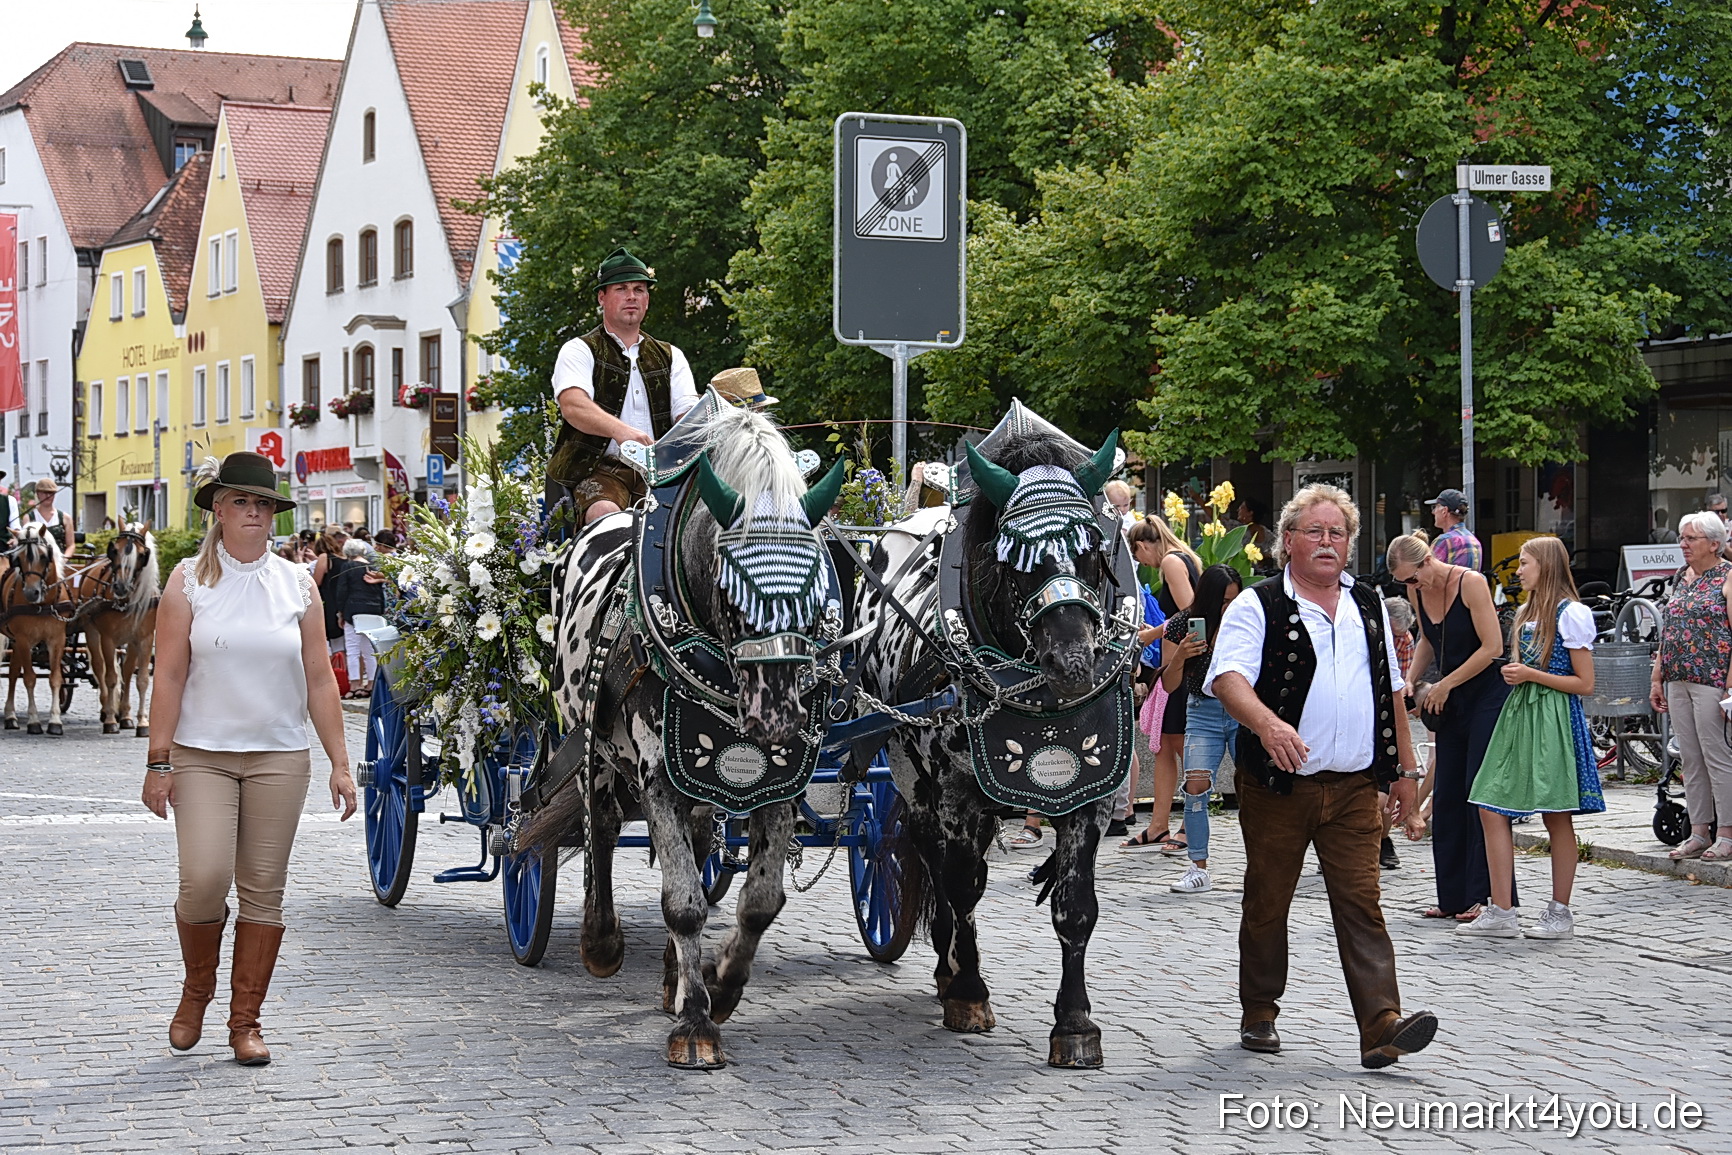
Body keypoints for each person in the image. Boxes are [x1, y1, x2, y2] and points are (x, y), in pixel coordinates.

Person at [1205, 483, 1436, 1069]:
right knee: (1267, 900)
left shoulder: (1368, 604)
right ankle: (1259, 1008)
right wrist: (1268, 725)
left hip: (1357, 784)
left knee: (1362, 903)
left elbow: (1393, 691)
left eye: (1339, 533)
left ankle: (1381, 1024)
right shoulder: (1258, 604)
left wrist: (1404, 771)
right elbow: (1228, 677)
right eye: (1316, 531)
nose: (1328, 542)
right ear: (1289, 541)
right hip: (1280, 785)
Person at [142, 451, 356, 1065]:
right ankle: (196, 990)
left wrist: (340, 763)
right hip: (201, 754)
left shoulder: (297, 585)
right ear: (217, 509)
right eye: (242, 501)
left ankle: (245, 1022)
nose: (255, 513)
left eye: (263, 503)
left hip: (279, 758)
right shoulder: (186, 583)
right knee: (204, 881)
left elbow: (320, 679)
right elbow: (170, 677)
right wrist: (159, 761)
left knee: (264, 891)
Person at [1461, 536, 1603, 940]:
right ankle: (1502, 910)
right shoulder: (1526, 611)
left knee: (1555, 813)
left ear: (1546, 565)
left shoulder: (1571, 613)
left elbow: (1585, 683)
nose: (1519, 570)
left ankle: (1560, 912)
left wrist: (1530, 675)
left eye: (1525, 563)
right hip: (1521, 714)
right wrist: (1517, 674)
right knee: (1490, 805)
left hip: (1554, 717)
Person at [1387, 530, 1509, 921]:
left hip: (1485, 695)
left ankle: (1485, 896)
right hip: (1450, 697)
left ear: (1426, 562)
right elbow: (1428, 639)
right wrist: (1410, 678)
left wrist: (1444, 683)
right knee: (1449, 792)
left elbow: (1493, 648)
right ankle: (1452, 895)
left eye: (1411, 577)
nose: (1410, 585)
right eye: (1404, 583)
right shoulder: (1417, 593)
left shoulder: (1470, 583)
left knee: (1478, 792)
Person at [547, 247, 699, 525]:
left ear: (647, 299)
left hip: (661, 472)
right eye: (621, 288)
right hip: (597, 470)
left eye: (639, 289)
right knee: (604, 514)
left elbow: (686, 414)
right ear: (602, 297)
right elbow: (573, 405)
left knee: (702, 525)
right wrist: (622, 432)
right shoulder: (579, 350)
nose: (632, 296)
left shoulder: (671, 356)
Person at [1653, 513, 1732, 862]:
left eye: (1691, 539)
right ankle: (1699, 830)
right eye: (1682, 538)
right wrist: (1657, 676)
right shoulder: (1680, 578)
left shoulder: (1728, 578)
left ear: (1714, 544)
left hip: (1712, 679)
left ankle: (1726, 833)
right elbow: (1668, 630)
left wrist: (1730, 686)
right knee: (1690, 757)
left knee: (1718, 757)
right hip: (1677, 676)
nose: (1683, 544)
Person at [1159, 563, 1243, 894]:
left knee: (1255, 787)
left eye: (1234, 600)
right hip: (1201, 710)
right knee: (1195, 786)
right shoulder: (1182, 624)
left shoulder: (1245, 619)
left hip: (1242, 710)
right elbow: (1167, 685)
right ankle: (1198, 868)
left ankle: (1267, 863)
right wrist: (1180, 656)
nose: (1229, 607)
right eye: (1223, 601)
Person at [1121, 516, 1202, 851]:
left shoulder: (1170, 561)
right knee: (1166, 748)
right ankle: (1158, 825)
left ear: (1142, 546)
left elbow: (1191, 611)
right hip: (1175, 669)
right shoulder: (1185, 557)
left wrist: (1151, 633)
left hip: (1181, 669)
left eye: (1137, 557)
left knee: (1184, 750)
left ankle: (1191, 825)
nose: (1141, 563)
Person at [330, 539, 384, 698]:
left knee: (353, 649)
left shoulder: (348, 567)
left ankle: (355, 684)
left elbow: (342, 592)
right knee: (369, 649)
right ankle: (371, 683)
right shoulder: (373, 566)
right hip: (373, 609)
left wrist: (340, 612)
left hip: (353, 610)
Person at [1425, 489, 1483, 572]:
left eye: (1435, 507)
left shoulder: (1444, 540)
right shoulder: (1474, 540)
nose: (1433, 512)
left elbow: (1428, 574)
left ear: (1444, 511)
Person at [14, 478, 75, 551]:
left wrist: (63, 560)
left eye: (51, 493)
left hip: (60, 559)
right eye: (44, 492)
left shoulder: (65, 518)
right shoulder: (28, 518)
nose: (48, 496)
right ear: (37, 494)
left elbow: (71, 545)